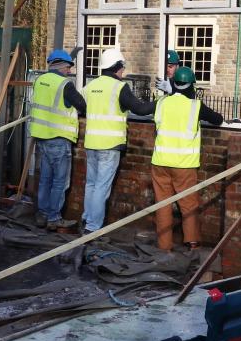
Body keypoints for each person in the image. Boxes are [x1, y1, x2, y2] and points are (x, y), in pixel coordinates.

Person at [81, 47, 156, 235]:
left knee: (91, 184)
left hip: (91, 143)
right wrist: (163, 101)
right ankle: (93, 228)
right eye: (122, 67)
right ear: (116, 67)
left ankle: (86, 218)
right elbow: (140, 109)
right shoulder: (119, 87)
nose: (123, 71)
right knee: (101, 187)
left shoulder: (90, 86)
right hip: (110, 145)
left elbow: (81, 107)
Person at [151, 66, 224, 251]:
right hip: (184, 165)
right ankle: (192, 243)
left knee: (163, 205)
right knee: (188, 204)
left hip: (160, 162)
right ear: (191, 86)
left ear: (173, 84)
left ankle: (164, 246)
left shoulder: (161, 103)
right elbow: (218, 119)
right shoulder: (195, 106)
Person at [30, 49, 86, 231]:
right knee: (60, 181)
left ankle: (43, 215)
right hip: (59, 138)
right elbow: (82, 105)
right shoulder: (64, 85)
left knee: (45, 179)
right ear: (61, 66)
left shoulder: (40, 80)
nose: (70, 71)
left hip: (41, 138)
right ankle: (54, 218)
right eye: (69, 67)